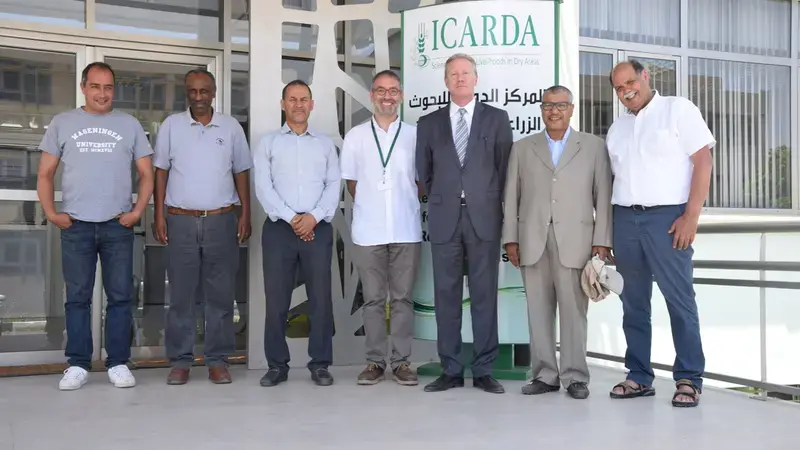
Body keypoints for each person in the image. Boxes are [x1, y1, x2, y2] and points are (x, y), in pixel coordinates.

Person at [37, 61, 154, 391]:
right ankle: (77, 363)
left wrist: (137, 211)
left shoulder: (129, 125)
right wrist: (51, 213)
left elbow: (147, 175)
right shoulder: (63, 123)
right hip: (76, 225)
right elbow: (44, 173)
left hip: (118, 224)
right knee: (77, 298)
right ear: (83, 87)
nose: (102, 94)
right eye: (96, 86)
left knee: (119, 297)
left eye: (108, 87)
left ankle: (117, 362)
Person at [606, 60, 714, 407]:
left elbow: (703, 160)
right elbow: (613, 182)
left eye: (630, 82)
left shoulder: (677, 109)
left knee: (679, 300)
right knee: (632, 303)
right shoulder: (617, 128)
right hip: (624, 219)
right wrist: (606, 235)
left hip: (668, 219)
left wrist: (691, 216)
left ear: (645, 77)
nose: (626, 91)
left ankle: (689, 378)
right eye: (619, 88)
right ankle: (638, 376)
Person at [502, 85, 613, 400]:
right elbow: (511, 196)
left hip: (576, 242)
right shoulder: (523, 148)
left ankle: (576, 376)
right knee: (537, 311)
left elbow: (603, 197)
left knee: (574, 312)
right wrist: (510, 238)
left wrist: (602, 242)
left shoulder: (592, 146)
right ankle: (545, 375)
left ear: (572, 109)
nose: (554, 111)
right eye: (548, 105)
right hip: (532, 241)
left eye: (561, 105)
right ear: (541, 109)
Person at [415, 53, 514, 394]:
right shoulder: (428, 123)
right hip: (444, 220)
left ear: (476, 79)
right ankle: (451, 369)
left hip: (484, 219)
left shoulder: (497, 119)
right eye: (453, 74)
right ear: (445, 81)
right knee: (446, 296)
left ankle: (484, 369)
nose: (459, 78)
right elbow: (423, 174)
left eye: (465, 73)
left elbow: (504, 171)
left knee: (485, 295)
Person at [152, 69, 253, 385]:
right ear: (187, 93)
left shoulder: (231, 127)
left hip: (222, 220)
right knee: (181, 296)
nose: (198, 97)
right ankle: (180, 361)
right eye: (192, 91)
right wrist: (158, 215)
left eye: (203, 91)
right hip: (180, 220)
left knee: (220, 296)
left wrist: (245, 213)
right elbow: (160, 173)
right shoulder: (171, 126)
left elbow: (241, 172)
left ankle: (217, 360)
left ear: (213, 92)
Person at [254, 79, 340, 387]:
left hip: (318, 228)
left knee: (320, 299)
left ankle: (320, 364)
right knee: (277, 301)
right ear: (283, 104)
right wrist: (294, 219)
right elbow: (264, 188)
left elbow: (334, 186)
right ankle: (277, 365)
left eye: (304, 99)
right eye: (292, 99)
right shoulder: (268, 143)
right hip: (280, 230)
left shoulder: (325, 144)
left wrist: (313, 217)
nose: (298, 104)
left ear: (312, 105)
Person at [341, 70, 422, 386]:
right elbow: (351, 183)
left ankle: (401, 362)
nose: (387, 96)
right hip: (369, 231)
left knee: (402, 299)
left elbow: (420, 182)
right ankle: (375, 362)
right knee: (374, 299)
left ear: (400, 95)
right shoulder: (356, 136)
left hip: (406, 228)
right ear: (372, 95)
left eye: (393, 91)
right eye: (380, 91)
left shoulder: (414, 136)